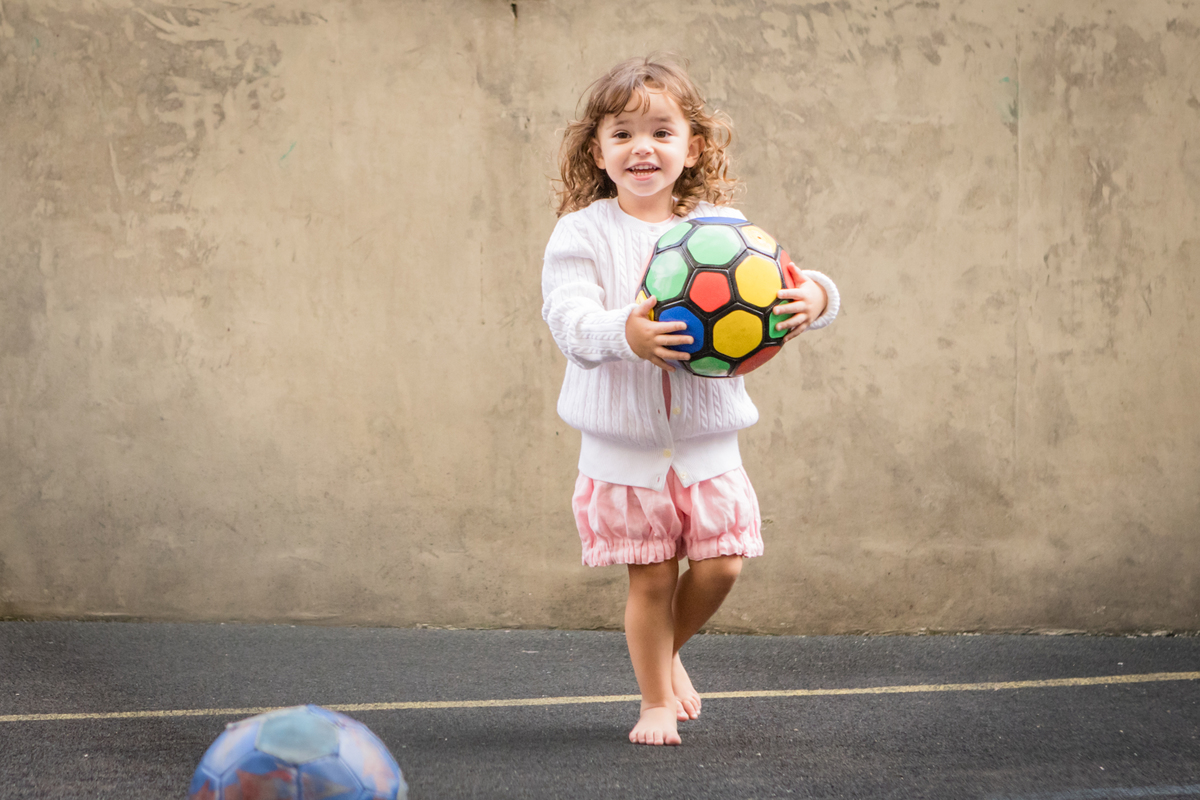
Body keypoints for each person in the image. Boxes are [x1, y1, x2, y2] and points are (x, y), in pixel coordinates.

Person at [540, 55, 840, 746]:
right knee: (649, 578)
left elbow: (789, 277)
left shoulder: (722, 228)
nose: (642, 147)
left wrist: (817, 297)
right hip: (625, 448)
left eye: (660, 131)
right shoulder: (581, 234)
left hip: (708, 443)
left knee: (722, 564)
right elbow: (568, 319)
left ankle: (666, 651)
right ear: (599, 150)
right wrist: (627, 331)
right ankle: (653, 701)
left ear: (692, 146)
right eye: (622, 134)